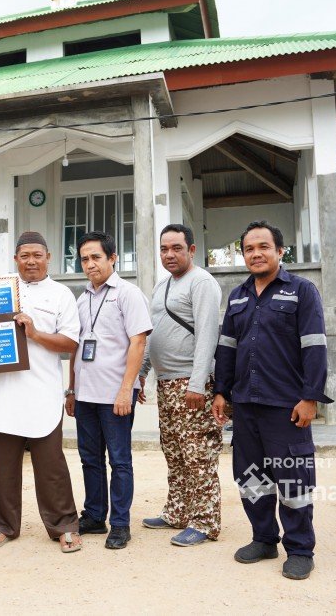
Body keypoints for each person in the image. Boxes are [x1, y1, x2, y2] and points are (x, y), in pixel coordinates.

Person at [213, 220, 330, 580]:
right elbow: (226, 348)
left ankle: (299, 548)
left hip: (286, 406)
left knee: (293, 478)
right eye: (249, 248)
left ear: (280, 251)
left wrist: (311, 397)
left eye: (264, 247)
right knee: (251, 477)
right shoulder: (237, 296)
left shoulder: (302, 291)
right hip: (246, 404)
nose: (256, 253)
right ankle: (264, 538)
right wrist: (221, 390)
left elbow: (315, 347)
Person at [0, 232, 82, 553]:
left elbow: (70, 342)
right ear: (15, 259)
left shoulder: (61, 294)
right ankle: (3, 526)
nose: (31, 261)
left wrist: (35, 333)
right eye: (24, 255)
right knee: (4, 467)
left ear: (48, 256)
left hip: (43, 392)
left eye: (37, 255)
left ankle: (64, 525)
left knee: (51, 466)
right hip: (3, 391)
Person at [138, 224, 224, 547]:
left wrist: (198, 383)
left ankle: (205, 522)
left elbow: (206, 335)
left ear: (191, 249)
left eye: (176, 248)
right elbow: (152, 335)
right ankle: (177, 510)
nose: (169, 255)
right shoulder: (161, 286)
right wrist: (142, 373)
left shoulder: (201, 283)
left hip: (191, 384)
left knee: (197, 454)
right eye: (164, 249)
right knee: (174, 451)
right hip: (166, 383)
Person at [66, 231, 151, 550]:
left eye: (96, 257)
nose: (90, 264)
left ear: (112, 258)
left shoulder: (128, 294)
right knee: (90, 458)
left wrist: (126, 389)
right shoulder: (82, 298)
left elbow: (139, 341)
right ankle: (94, 515)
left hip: (115, 396)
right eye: (84, 259)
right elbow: (77, 347)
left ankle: (120, 523)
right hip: (86, 396)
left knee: (119, 460)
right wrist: (71, 390)